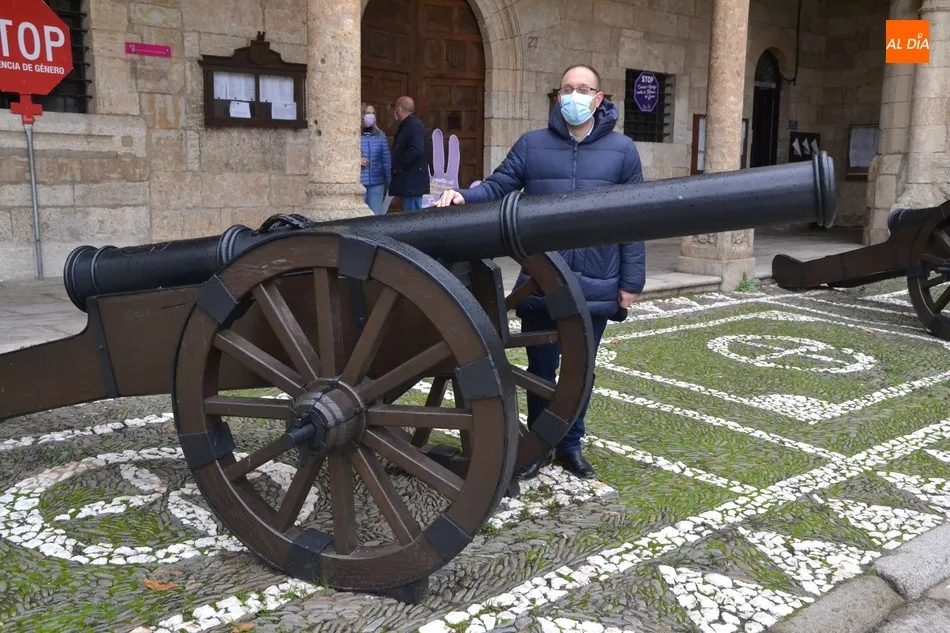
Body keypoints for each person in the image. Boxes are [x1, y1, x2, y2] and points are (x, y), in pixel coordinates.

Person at [435, 64, 645, 480]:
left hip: (596, 281)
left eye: (583, 89)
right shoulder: (532, 145)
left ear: (599, 98)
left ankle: (570, 444)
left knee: (581, 371)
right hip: (541, 281)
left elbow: (634, 219)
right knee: (541, 371)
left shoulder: (623, 151)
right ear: (558, 96)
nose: (574, 96)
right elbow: (498, 185)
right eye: (567, 88)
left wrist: (630, 281)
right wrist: (464, 196)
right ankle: (539, 445)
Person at [389, 96, 430, 211]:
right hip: (409, 183)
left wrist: (399, 164)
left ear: (399, 109)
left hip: (412, 183)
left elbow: (417, 149)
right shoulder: (408, 124)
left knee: (412, 217)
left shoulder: (413, 125)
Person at [360, 102, 392, 215]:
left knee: (375, 217)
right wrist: (356, 161)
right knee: (358, 219)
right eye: (367, 113)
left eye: (373, 113)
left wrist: (391, 184)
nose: (371, 115)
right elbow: (345, 156)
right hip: (359, 184)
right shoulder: (353, 135)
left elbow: (386, 160)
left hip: (377, 184)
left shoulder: (380, 135)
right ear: (361, 115)